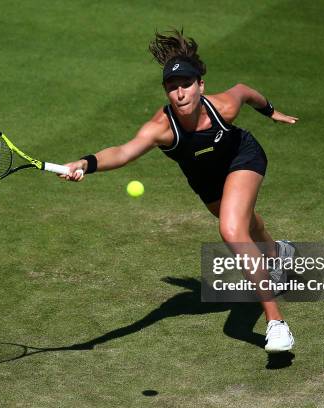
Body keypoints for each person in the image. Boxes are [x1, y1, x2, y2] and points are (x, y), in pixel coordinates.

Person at [60, 29, 299, 353]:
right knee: (239, 220)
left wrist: (271, 111)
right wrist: (85, 163)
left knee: (231, 229)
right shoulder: (160, 128)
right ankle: (276, 254)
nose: (180, 93)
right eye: (172, 88)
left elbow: (244, 91)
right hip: (204, 178)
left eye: (186, 84)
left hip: (242, 156)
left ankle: (276, 323)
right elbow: (123, 152)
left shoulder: (223, 107)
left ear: (200, 85)